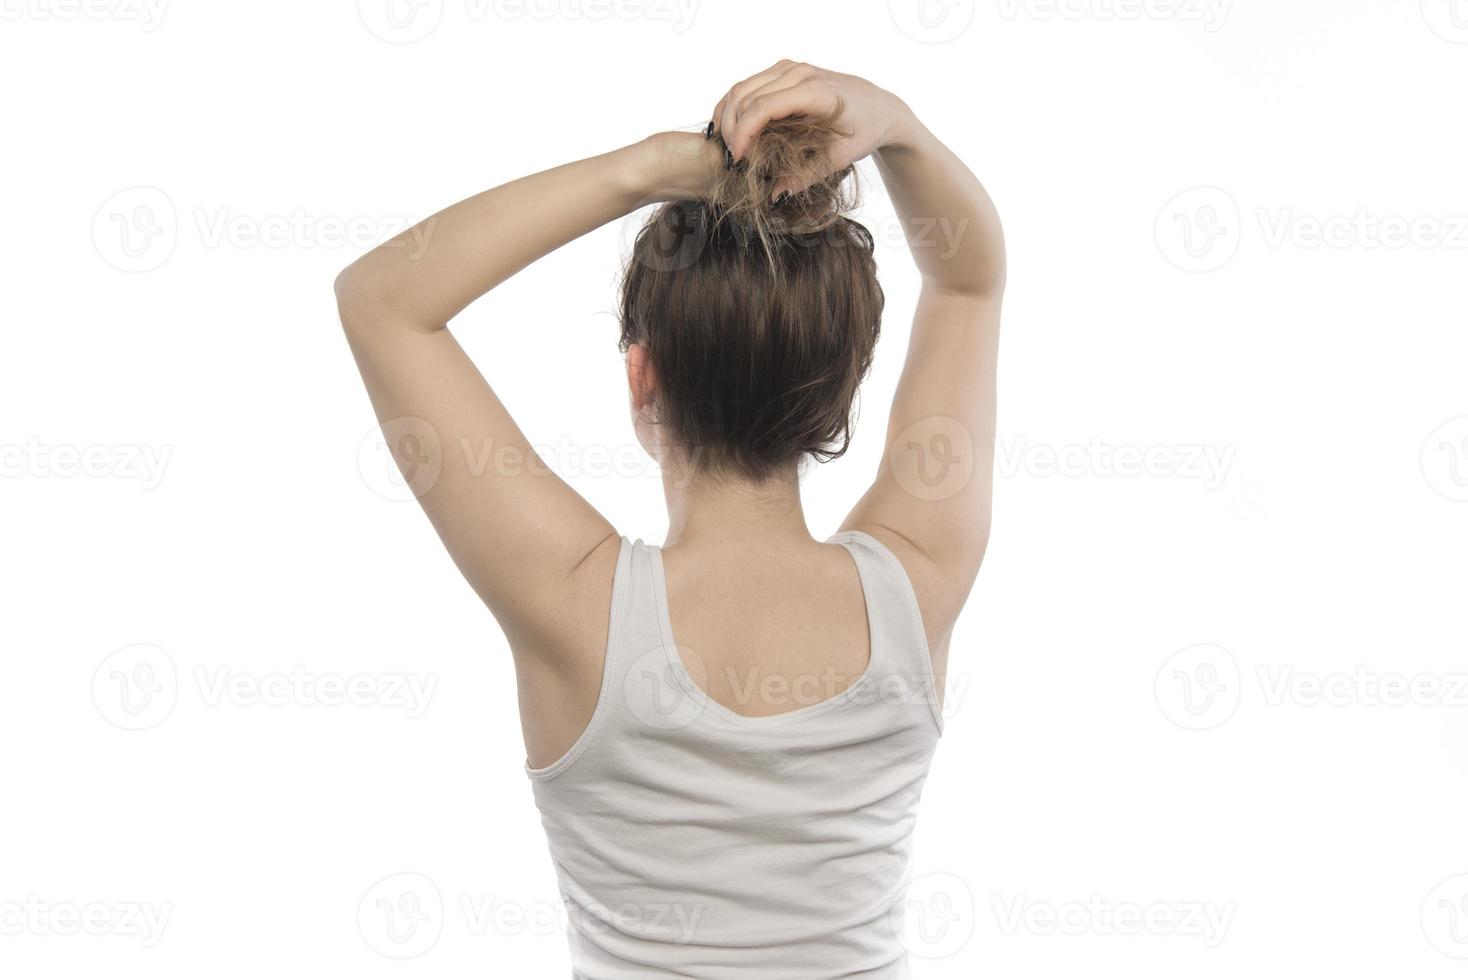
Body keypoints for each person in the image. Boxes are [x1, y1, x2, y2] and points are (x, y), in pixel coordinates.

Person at [335, 59, 1004, 978]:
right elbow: (969, 280)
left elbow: (383, 302)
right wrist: (899, 126)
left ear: (642, 376)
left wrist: (647, 169)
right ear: (844, 385)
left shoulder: (575, 605)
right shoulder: (917, 580)